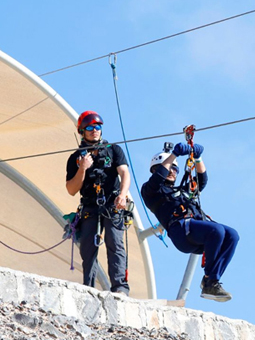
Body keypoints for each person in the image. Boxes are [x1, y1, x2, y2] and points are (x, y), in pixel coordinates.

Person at [141, 142, 240, 302]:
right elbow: (158, 177)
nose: (172, 171)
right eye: (169, 168)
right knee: (217, 231)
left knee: (232, 235)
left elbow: (202, 180)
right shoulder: (151, 191)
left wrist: (198, 158)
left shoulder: (183, 190)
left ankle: (211, 280)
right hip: (181, 232)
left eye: (175, 168)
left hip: (196, 233)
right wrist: (174, 155)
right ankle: (210, 281)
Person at [66, 110, 130, 295]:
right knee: (88, 247)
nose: (95, 130)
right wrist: (82, 169)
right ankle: (88, 288)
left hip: (112, 204)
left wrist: (123, 195)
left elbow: (124, 173)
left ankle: (120, 288)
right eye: (90, 128)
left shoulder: (113, 150)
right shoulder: (76, 158)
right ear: (82, 131)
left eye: (98, 127)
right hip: (90, 207)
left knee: (114, 242)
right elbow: (71, 189)